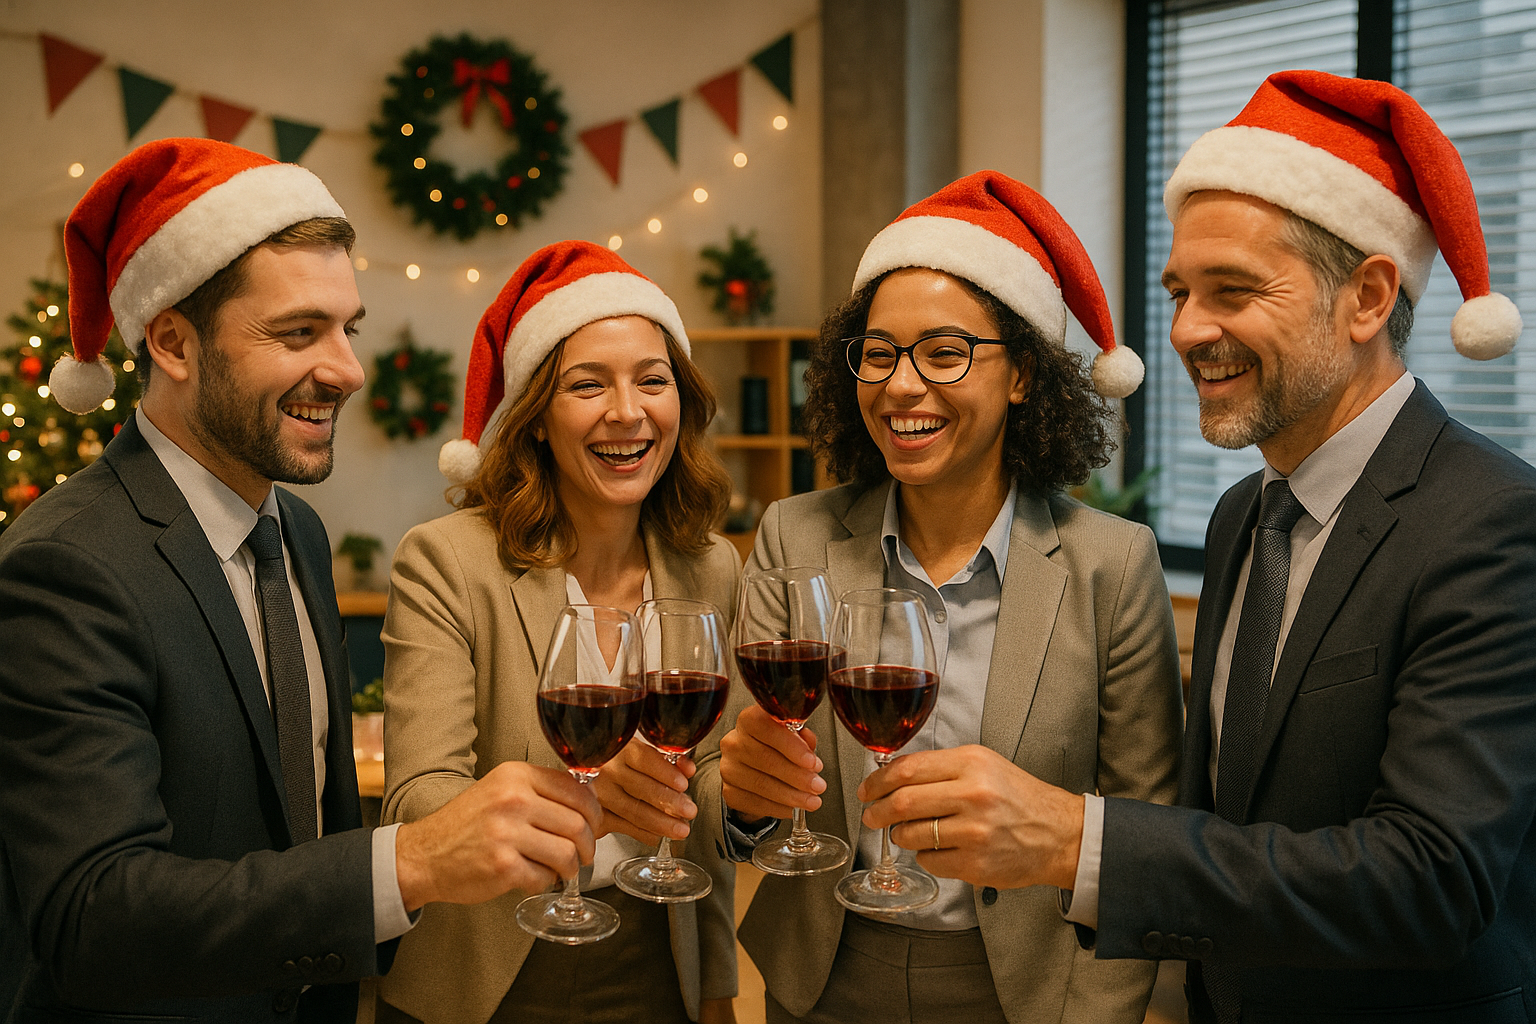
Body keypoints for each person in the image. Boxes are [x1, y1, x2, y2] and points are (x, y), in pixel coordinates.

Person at [859, 71, 1536, 1024]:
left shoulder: (1492, 519)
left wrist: (1075, 841)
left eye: (1233, 291)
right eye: (1180, 291)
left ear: (1370, 297)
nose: (1186, 331)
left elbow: (1432, 882)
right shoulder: (1244, 516)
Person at [0, 139, 604, 1024]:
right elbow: (92, 915)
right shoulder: (67, 566)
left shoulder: (297, 534)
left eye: (345, 327)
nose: (347, 370)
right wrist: (413, 861)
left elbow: (303, 837)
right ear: (172, 341)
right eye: (297, 333)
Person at [698, 171, 1185, 1024]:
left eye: (946, 352)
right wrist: (740, 799)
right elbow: (731, 793)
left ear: (1023, 376)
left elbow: (1146, 827)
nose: (901, 386)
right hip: (822, 981)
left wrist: (1099, 1010)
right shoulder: (792, 536)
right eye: (878, 353)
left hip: (1030, 993)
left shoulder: (1113, 564)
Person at [375, 241, 742, 1024]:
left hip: (657, 960)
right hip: (489, 967)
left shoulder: (710, 566)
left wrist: (717, 986)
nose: (627, 412)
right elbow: (416, 801)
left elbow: (704, 810)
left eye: (653, 379)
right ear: (536, 418)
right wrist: (585, 791)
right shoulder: (446, 561)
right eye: (587, 385)